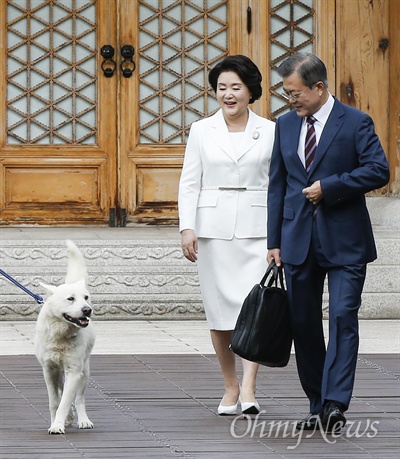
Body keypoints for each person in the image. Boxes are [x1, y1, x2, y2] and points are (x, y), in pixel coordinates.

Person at [267, 52, 390, 432]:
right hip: (297, 241)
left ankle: (336, 402)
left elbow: (379, 170)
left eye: (295, 93)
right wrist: (274, 242)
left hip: (345, 241)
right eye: (287, 93)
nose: (291, 100)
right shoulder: (285, 125)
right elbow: (277, 186)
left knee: (341, 317)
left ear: (319, 88)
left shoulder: (355, 122)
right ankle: (317, 403)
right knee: (303, 324)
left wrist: (331, 188)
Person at [178, 55, 275, 416]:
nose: (228, 95)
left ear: (251, 90)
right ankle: (230, 385)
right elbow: (190, 182)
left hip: (257, 229)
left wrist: (277, 234)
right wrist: (187, 226)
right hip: (213, 232)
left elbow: (276, 185)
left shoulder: (271, 130)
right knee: (220, 313)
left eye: (236, 87)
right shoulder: (202, 130)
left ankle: (250, 386)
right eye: (221, 88)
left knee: (256, 310)